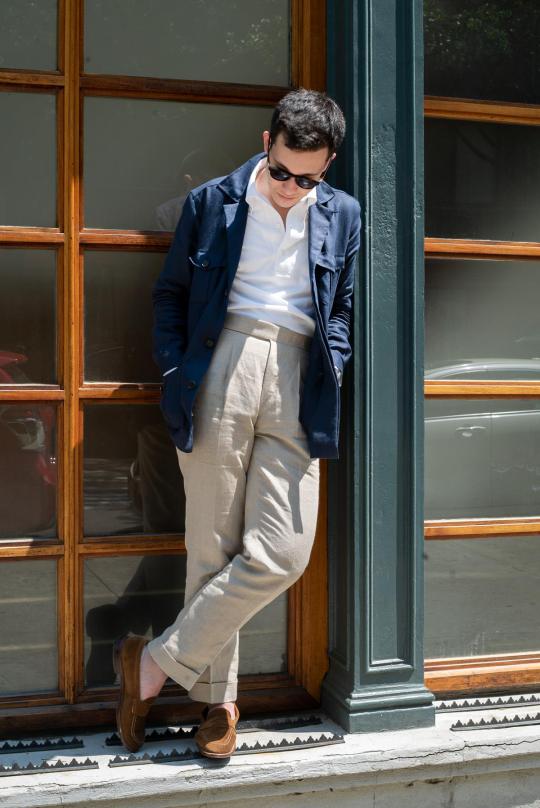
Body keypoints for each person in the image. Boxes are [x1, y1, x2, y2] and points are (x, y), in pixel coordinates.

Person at [113, 88, 362, 759]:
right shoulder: (213, 202)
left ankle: (152, 662)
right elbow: (170, 292)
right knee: (213, 545)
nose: (289, 188)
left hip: (301, 374)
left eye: (306, 178)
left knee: (284, 551)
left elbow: (341, 305)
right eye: (280, 171)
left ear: (328, 165)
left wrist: (335, 357)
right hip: (221, 359)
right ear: (265, 144)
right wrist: (174, 369)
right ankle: (219, 702)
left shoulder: (343, 214)